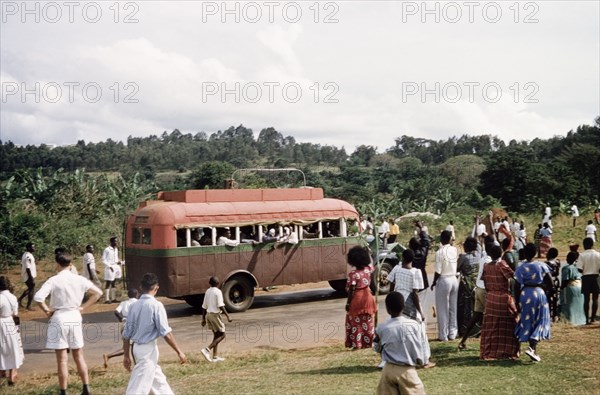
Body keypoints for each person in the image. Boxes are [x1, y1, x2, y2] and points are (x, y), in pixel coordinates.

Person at [34, 253, 103, 395]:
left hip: (59, 317)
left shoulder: (54, 280)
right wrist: (84, 307)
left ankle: (63, 391)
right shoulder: (79, 279)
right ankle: (86, 388)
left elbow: (38, 297)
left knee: (62, 360)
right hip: (75, 315)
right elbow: (98, 293)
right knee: (79, 355)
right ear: (70, 264)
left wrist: (47, 311)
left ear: (57, 264)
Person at [122, 273, 187, 395]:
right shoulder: (156, 305)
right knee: (137, 387)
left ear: (141, 287)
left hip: (136, 349)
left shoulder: (133, 306)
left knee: (157, 380)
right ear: (156, 288)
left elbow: (126, 335)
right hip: (147, 349)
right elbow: (166, 333)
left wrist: (126, 355)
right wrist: (179, 351)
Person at [374, 292, 427, 395]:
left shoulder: (382, 328)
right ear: (403, 307)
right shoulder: (415, 325)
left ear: (387, 309)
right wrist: (421, 361)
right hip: (407, 370)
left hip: (388, 370)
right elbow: (421, 347)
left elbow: (377, 348)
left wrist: (377, 337)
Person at [387, 250, 432, 367]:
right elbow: (415, 293)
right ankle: (423, 359)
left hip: (397, 301)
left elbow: (391, 285)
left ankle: (399, 356)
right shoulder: (416, 272)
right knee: (419, 328)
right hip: (409, 302)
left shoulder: (396, 268)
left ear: (402, 257)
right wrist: (420, 312)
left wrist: (391, 300)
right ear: (412, 260)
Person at [480, 245, 520, 360]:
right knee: (509, 325)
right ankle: (509, 351)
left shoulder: (486, 266)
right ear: (501, 253)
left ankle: (488, 353)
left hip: (491, 298)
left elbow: (486, 283)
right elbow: (514, 276)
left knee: (491, 328)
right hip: (503, 298)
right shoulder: (502, 264)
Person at [514, 243, 552, 362]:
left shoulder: (520, 267)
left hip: (525, 294)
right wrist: (549, 294)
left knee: (528, 320)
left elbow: (516, 285)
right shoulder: (541, 265)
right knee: (541, 320)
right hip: (539, 293)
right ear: (535, 253)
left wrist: (517, 300)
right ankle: (532, 347)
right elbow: (550, 282)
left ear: (524, 253)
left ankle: (532, 351)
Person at [344, 246, 377, 349]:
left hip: (357, 299)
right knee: (368, 321)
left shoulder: (353, 275)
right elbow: (371, 264)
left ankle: (357, 344)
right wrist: (369, 253)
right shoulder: (368, 270)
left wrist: (348, 303)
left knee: (356, 323)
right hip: (368, 298)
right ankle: (369, 342)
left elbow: (351, 290)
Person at [431, 230, 459, 342]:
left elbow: (438, 271)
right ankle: (452, 333)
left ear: (442, 239)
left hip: (444, 279)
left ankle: (443, 335)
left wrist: (433, 282)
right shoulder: (454, 250)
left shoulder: (439, 252)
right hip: (454, 279)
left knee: (442, 308)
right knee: (453, 307)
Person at [103, 288, 139, 368]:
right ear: (137, 295)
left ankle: (108, 356)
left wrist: (121, 318)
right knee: (133, 346)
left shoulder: (124, 303)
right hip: (132, 325)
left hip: (124, 325)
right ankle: (136, 365)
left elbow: (116, 311)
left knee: (126, 347)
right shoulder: (138, 303)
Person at [200, 276, 232, 362]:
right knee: (222, 335)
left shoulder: (208, 291)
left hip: (208, 315)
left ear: (209, 283)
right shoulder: (218, 292)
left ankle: (215, 356)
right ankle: (207, 350)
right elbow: (221, 305)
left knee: (216, 335)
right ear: (218, 284)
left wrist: (203, 319)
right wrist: (228, 316)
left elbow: (204, 306)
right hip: (215, 315)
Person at [0, 276, 23, 386]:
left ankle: (2, 372)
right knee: (12, 347)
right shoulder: (13, 297)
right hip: (10, 323)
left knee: (1, 348)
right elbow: (15, 314)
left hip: (1, 323)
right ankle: (12, 374)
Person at [456, 237, 481, 337]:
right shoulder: (479, 254)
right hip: (477, 285)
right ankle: (477, 327)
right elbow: (478, 244)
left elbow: (457, 268)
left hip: (466, 286)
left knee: (465, 307)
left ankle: (465, 329)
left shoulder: (464, 258)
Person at [576, 237, 600, 324]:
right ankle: (593, 318)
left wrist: (585, 270)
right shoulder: (598, 254)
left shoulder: (582, 255)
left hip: (586, 277)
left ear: (584, 245)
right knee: (595, 298)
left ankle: (586, 319)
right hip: (596, 277)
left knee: (586, 299)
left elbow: (579, 269)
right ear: (592, 245)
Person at [560, 251, 586, 326]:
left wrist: (561, 288)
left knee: (568, 305)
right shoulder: (579, 268)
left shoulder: (566, 268)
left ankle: (569, 320)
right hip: (580, 287)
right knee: (579, 305)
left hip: (570, 288)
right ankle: (580, 320)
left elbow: (565, 280)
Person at [410, 222, 431, 290]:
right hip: (422, 280)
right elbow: (426, 242)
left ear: (410, 246)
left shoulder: (409, 255)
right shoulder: (422, 253)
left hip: (412, 282)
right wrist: (421, 228)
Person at [102, 236, 124, 304]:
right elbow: (103, 259)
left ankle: (113, 298)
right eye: (115, 241)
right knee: (108, 282)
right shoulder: (107, 249)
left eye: (117, 241)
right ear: (111, 242)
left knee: (114, 282)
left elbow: (116, 259)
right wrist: (109, 266)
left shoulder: (116, 249)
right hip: (110, 267)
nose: (116, 242)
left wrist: (121, 262)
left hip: (115, 267)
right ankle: (107, 299)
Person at [17, 242, 36, 310]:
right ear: (28, 248)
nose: (34, 248)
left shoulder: (25, 254)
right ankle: (28, 306)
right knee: (32, 289)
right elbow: (28, 268)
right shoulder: (28, 256)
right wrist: (31, 278)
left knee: (31, 288)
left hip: (27, 274)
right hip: (28, 275)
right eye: (33, 247)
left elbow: (22, 265)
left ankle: (19, 300)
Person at [544, 248, 561, 322]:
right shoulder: (558, 262)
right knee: (555, 299)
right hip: (556, 281)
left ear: (550, 254)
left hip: (549, 282)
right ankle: (555, 315)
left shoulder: (546, 263)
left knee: (548, 299)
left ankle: (549, 315)